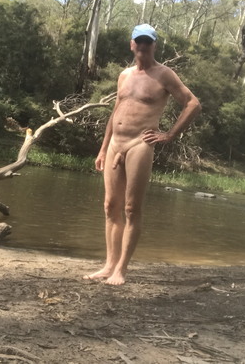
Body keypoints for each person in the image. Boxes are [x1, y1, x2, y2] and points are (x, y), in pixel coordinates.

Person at [84, 24, 202, 285]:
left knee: (131, 208)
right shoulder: (124, 75)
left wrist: (169, 135)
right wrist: (103, 148)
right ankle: (109, 265)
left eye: (148, 42)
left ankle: (121, 269)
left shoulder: (164, 74)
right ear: (132, 45)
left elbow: (193, 103)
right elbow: (115, 112)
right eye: (139, 41)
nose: (143, 46)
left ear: (154, 46)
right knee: (109, 206)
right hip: (115, 143)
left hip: (140, 144)